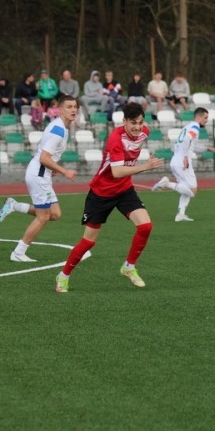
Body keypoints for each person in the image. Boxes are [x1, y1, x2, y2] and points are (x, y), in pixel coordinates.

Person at [55, 102, 164, 293]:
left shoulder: (144, 132)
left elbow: (131, 156)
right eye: (133, 123)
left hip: (124, 190)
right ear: (124, 122)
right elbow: (117, 172)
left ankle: (129, 267)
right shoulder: (115, 138)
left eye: (140, 122)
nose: (137, 127)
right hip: (101, 193)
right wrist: (145, 166)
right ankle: (63, 276)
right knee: (88, 241)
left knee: (145, 226)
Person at [0, 95, 80, 262]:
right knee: (43, 217)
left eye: (75, 107)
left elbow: (44, 153)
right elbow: (44, 158)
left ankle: (14, 205)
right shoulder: (58, 130)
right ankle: (18, 253)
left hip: (43, 173)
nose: (73, 110)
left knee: (54, 214)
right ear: (60, 109)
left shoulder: (61, 127)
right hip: (39, 175)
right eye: (69, 107)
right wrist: (64, 171)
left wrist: (52, 167)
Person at [150, 107, 215, 222]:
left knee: (185, 189)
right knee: (192, 191)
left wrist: (209, 148)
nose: (206, 120)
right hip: (183, 162)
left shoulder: (188, 126)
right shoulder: (195, 126)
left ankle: (181, 214)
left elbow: (192, 145)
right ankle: (167, 184)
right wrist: (185, 157)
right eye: (205, 117)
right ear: (199, 117)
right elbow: (187, 139)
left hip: (176, 161)